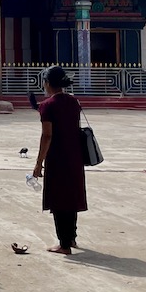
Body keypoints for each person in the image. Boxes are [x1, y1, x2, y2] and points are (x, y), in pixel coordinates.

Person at [31, 65, 87, 255]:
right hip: (75, 155)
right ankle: (71, 237)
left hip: (57, 157)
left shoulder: (47, 106)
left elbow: (47, 136)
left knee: (59, 199)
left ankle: (63, 244)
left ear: (47, 83)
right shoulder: (73, 102)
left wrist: (39, 162)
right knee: (71, 196)